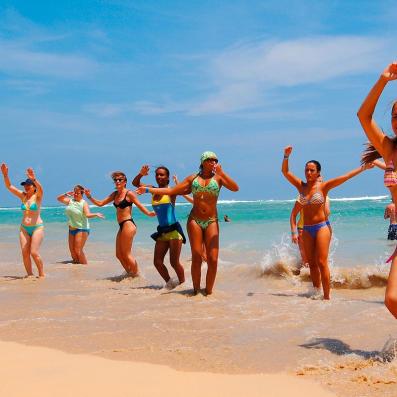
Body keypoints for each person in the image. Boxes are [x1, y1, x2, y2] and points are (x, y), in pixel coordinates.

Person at [136, 151, 239, 295]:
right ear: (203, 161)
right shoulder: (192, 178)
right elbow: (171, 190)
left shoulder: (219, 178)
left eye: (215, 160)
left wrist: (223, 173)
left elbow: (235, 188)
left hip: (212, 221)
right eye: (210, 160)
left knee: (213, 259)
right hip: (194, 220)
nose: (213, 162)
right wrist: (147, 189)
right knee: (196, 256)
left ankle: (208, 292)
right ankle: (196, 291)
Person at [282, 146, 373, 300]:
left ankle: (327, 297)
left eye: (312, 170)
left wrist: (363, 168)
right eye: (306, 170)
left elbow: (346, 176)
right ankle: (316, 292)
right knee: (311, 264)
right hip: (307, 228)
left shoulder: (324, 186)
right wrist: (286, 156)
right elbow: (285, 172)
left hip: (322, 227)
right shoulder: (301, 186)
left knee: (322, 262)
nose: (308, 173)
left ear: (318, 172)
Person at [358, 61, 397, 317]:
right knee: (392, 298)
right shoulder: (390, 150)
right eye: (395, 116)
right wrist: (383, 80)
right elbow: (364, 116)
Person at [84, 171, 155, 275]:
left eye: (120, 180)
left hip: (128, 224)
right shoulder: (115, 194)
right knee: (119, 254)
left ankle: (137, 275)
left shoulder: (129, 193)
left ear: (125, 182)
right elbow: (100, 203)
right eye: (115, 180)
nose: (117, 181)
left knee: (126, 254)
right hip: (121, 226)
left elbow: (139, 205)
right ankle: (130, 274)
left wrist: (149, 213)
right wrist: (89, 196)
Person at [132, 165, 185, 288]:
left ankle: (183, 284)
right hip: (162, 231)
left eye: (162, 174)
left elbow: (180, 189)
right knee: (157, 262)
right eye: (157, 174)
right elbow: (135, 183)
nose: (159, 177)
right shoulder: (152, 189)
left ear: (167, 178)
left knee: (174, 262)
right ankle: (171, 284)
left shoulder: (171, 191)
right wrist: (141, 174)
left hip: (173, 231)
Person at [1, 164, 45, 277]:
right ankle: (30, 275)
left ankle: (41, 274)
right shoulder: (23, 196)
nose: (26, 187)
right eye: (25, 185)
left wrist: (34, 179)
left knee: (34, 252)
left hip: (37, 227)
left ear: (34, 186)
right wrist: (5, 175)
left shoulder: (38, 196)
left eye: (29, 185)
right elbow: (9, 186)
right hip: (24, 228)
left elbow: (41, 189)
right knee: (25, 253)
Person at [57, 185, 105, 264]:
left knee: (78, 250)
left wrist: (96, 214)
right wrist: (66, 194)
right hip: (71, 229)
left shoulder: (84, 203)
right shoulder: (70, 201)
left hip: (82, 228)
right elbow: (59, 199)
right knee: (72, 251)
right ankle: (77, 269)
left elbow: (87, 215)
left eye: (78, 193)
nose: (75, 194)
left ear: (82, 194)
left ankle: (85, 266)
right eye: (75, 193)